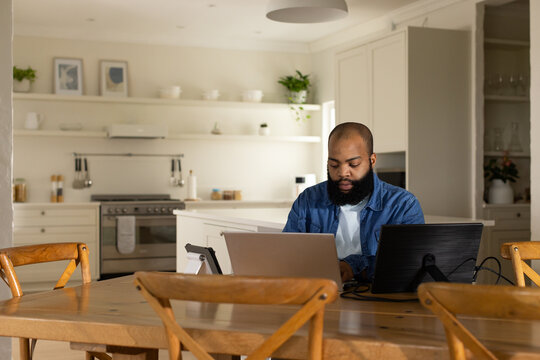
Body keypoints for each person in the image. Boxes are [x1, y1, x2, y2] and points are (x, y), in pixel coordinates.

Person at [283, 122, 424, 282]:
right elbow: (288, 256)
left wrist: (353, 266)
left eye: (353, 164)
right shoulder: (308, 199)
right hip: (321, 292)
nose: (342, 173)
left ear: (372, 161)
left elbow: (410, 264)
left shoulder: (403, 205)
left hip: (377, 298)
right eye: (333, 165)